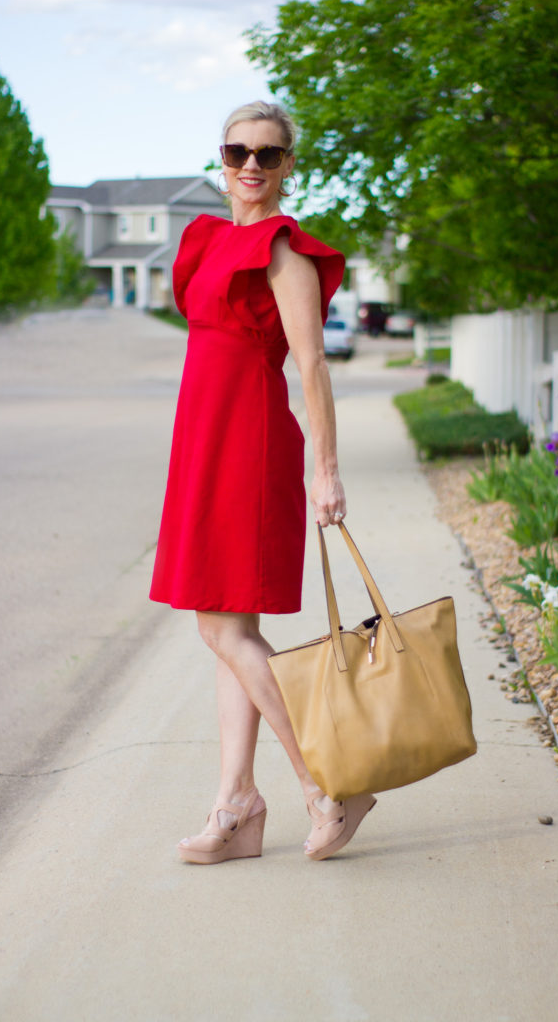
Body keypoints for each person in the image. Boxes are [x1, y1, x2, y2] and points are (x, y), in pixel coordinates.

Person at [150, 101, 376, 863]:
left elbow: (312, 366)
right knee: (227, 632)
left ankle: (325, 787)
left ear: (287, 168)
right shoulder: (206, 238)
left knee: (220, 629)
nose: (251, 164)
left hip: (248, 441)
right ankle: (237, 807)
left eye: (268, 155)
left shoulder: (285, 252)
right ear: (221, 158)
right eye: (237, 150)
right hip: (202, 442)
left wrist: (327, 470)